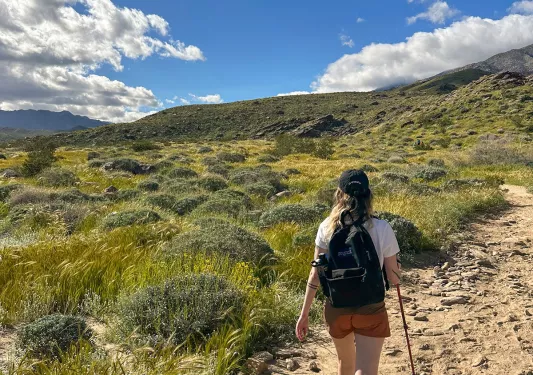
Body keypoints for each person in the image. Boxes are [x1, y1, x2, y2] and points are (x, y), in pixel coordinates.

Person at [295, 169, 401, 375]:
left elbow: (315, 274)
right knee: (366, 369)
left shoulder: (326, 227)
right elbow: (394, 277)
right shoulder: (382, 227)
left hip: (336, 307)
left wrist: (304, 314)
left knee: (345, 363)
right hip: (370, 305)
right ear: (368, 195)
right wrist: (397, 268)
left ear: (339, 194)